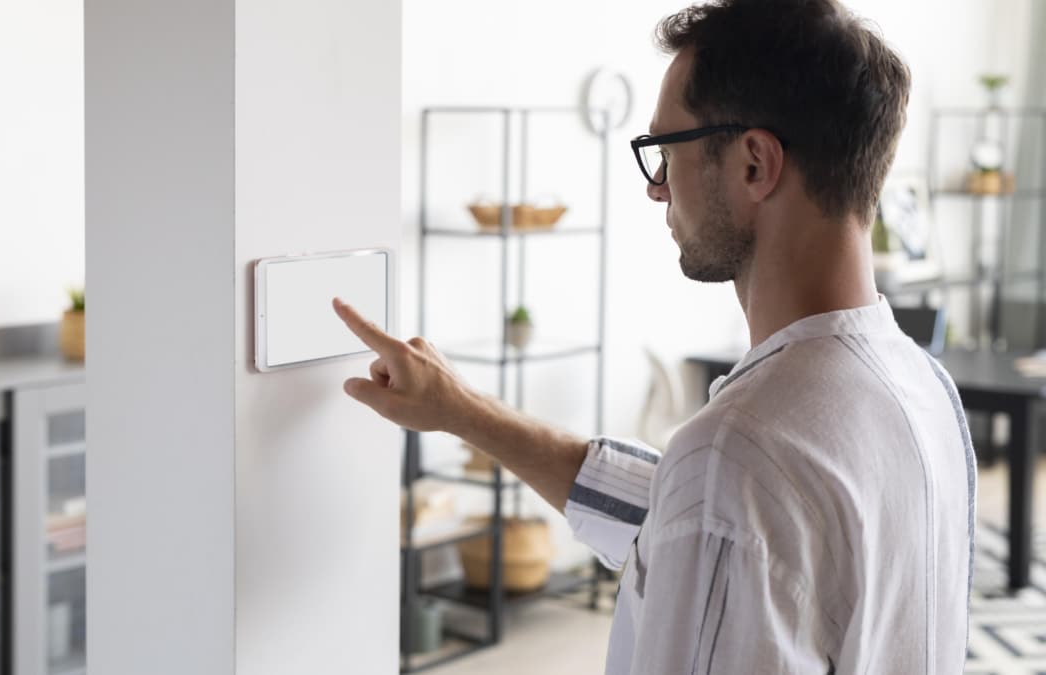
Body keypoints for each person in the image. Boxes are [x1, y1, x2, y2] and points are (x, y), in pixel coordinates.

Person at [333, 0, 975, 671]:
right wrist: (461, 410)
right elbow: (683, 514)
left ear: (754, 164)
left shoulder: (738, 457)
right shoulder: (926, 391)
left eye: (667, 153)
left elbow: (717, 505)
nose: (657, 189)